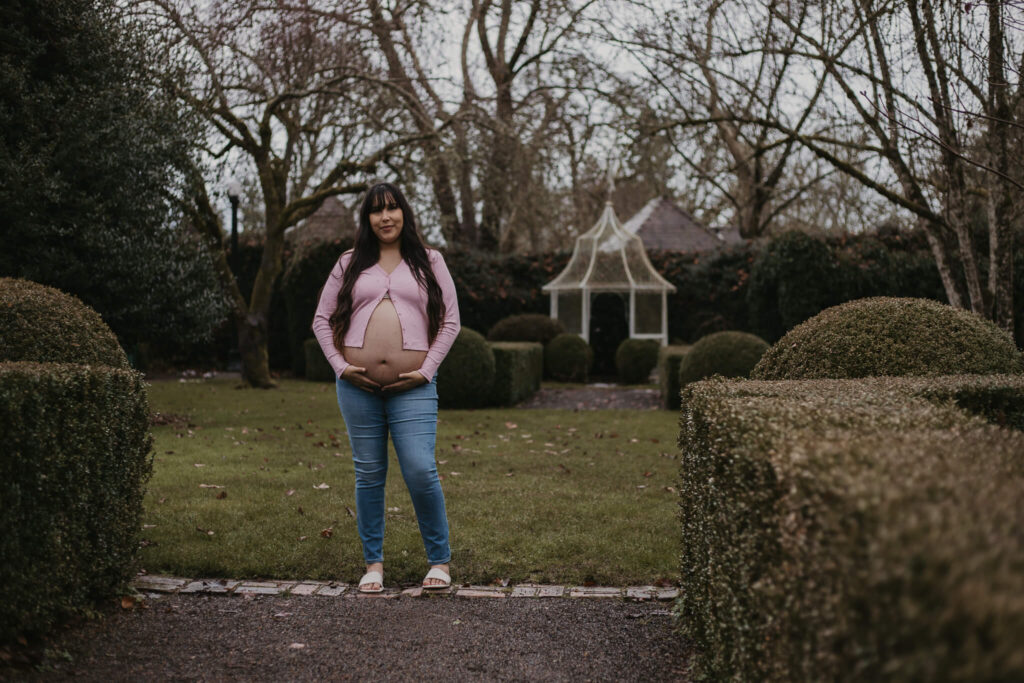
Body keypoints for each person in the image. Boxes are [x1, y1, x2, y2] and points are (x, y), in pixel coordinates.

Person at [312, 182, 459, 593]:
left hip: (413, 386)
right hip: (357, 388)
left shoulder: (430, 261)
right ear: (367, 218)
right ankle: (373, 564)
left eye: (393, 208)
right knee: (369, 474)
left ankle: (439, 561)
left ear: (405, 213)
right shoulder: (349, 263)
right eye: (377, 211)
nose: (386, 217)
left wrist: (426, 370)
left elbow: (450, 321)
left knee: (419, 469)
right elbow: (321, 320)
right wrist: (341, 367)